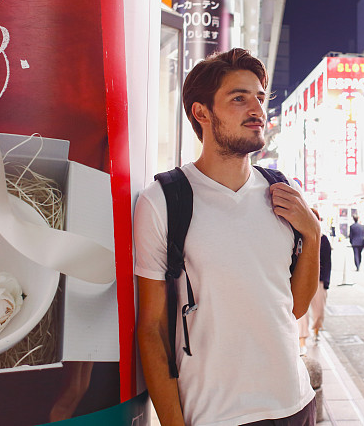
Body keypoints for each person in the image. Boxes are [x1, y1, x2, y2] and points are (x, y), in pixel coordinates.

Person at [134, 48, 320, 426]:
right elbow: (151, 328)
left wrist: (312, 235)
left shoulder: (282, 192)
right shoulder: (164, 201)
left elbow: (293, 308)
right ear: (201, 112)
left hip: (295, 403)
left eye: (259, 97)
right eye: (239, 98)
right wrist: (172, 421)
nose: (256, 109)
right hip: (215, 413)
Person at [297, 209, 333, 353]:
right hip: (301, 281)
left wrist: (326, 282)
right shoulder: (298, 237)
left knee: (319, 312)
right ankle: (302, 340)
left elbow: (328, 263)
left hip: (319, 281)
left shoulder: (323, 239)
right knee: (301, 313)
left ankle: (317, 330)